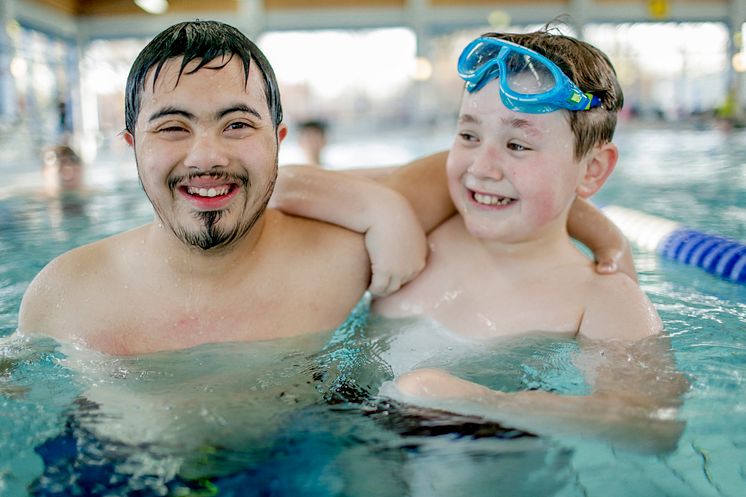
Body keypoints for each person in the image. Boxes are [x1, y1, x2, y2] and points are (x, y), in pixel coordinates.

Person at [17, 20, 626, 357]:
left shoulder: (339, 253)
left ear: (278, 141)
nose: (207, 156)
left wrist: (604, 235)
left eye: (237, 125)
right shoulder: (64, 294)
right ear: (130, 147)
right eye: (173, 127)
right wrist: (377, 205)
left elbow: (500, 171)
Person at [272, 29, 687, 451]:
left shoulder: (601, 298)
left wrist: (480, 402)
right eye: (468, 136)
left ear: (593, 169)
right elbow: (280, 186)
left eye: (517, 144)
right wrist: (385, 209)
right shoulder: (428, 223)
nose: (482, 167)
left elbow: (651, 427)